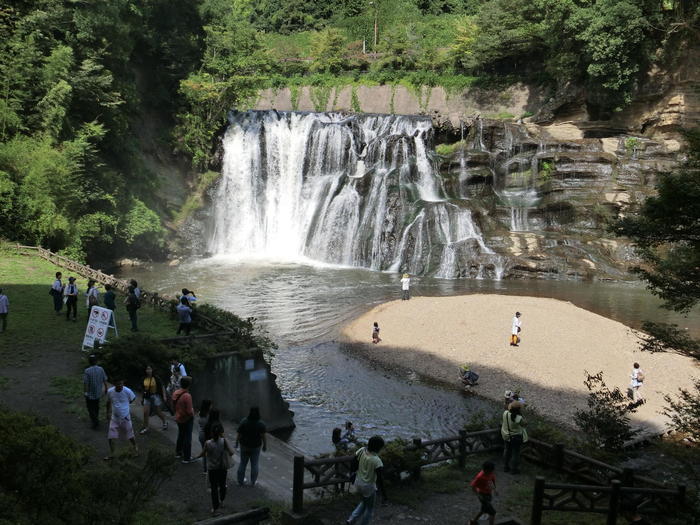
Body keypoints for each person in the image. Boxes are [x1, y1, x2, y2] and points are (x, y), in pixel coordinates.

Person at [346, 435, 387, 525]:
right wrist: (384, 495)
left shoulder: (362, 450)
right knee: (370, 508)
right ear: (378, 448)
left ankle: (351, 520)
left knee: (365, 502)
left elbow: (353, 462)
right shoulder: (377, 461)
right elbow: (380, 479)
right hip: (368, 486)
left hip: (358, 482)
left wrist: (351, 474)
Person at [196, 422, 234, 516]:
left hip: (212, 469)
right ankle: (222, 500)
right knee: (222, 485)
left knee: (213, 488)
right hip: (222, 468)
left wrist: (197, 456)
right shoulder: (224, 441)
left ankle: (215, 508)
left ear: (211, 433)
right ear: (220, 432)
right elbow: (232, 452)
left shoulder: (208, 443)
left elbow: (203, 453)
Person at [105, 379, 138, 459]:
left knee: (130, 435)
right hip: (114, 418)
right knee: (111, 437)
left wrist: (127, 404)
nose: (120, 385)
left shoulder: (128, 391)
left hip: (125, 417)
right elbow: (108, 402)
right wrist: (107, 412)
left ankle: (135, 449)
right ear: (114, 384)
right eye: (118, 384)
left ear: (123, 383)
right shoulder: (110, 391)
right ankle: (112, 453)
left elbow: (133, 398)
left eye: (121, 383)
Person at [236, 407, 267, 487]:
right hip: (256, 446)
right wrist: (265, 446)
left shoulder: (244, 421)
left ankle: (240, 481)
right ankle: (253, 482)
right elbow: (263, 437)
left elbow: (239, 434)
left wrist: (236, 443)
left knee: (243, 463)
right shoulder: (261, 424)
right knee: (254, 464)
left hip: (244, 445)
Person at [173, 376, 196, 463]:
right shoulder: (187, 396)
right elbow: (189, 411)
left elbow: (173, 405)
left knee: (181, 435)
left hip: (178, 417)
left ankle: (178, 453)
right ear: (188, 385)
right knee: (188, 438)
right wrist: (193, 414)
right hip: (187, 419)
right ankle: (187, 457)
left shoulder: (176, 393)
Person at [139, 365, 168, 434]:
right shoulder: (143, 378)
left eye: (149, 369)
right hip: (147, 397)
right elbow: (142, 389)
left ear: (152, 370)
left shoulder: (156, 378)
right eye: (147, 369)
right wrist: (142, 397)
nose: (148, 371)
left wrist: (164, 396)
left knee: (157, 412)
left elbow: (162, 386)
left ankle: (164, 421)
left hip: (155, 396)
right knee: (145, 412)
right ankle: (146, 427)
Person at [501, 401, 528, 474]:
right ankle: (514, 469)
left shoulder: (505, 413)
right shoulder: (519, 418)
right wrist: (522, 415)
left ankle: (505, 467)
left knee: (506, 450)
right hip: (516, 437)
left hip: (506, 435)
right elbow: (525, 424)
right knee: (515, 453)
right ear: (519, 409)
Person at [83, 354, 108, 429]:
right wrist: (106, 388)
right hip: (98, 393)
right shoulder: (101, 369)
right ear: (96, 361)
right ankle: (95, 419)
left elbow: (86, 383)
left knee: (90, 408)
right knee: (96, 407)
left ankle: (95, 421)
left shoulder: (87, 371)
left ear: (89, 362)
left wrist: (85, 392)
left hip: (90, 393)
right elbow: (105, 379)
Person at [468, 461, 497, 525]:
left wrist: (494, 490)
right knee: (492, 512)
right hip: (483, 495)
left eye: (492, 471)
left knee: (483, 510)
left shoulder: (491, 473)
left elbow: (491, 481)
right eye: (489, 471)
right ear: (485, 470)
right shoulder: (480, 477)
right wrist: (478, 495)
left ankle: (473, 521)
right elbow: (473, 486)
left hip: (488, 494)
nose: (491, 472)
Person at [198, 399, 213, 473]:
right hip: (207, 435)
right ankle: (209, 468)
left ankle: (205, 469)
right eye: (211, 405)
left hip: (201, 435)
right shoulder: (209, 415)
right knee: (210, 453)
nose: (212, 406)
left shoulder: (200, 413)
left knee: (204, 452)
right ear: (208, 406)